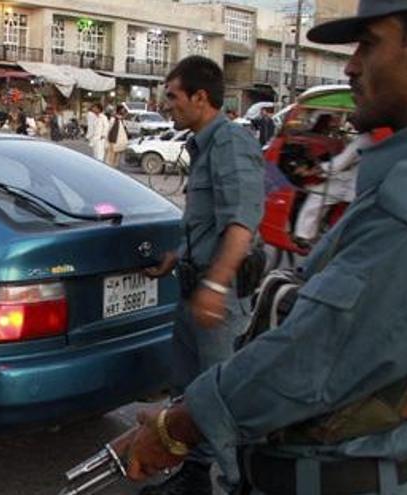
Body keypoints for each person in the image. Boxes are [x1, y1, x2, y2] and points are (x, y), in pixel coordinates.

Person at [125, 4, 407, 495]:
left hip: (350, 473)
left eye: (370, 43)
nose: (352, 65)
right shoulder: (400, 181)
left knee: (214, 383)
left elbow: (313, 353)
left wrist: (177, 428)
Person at [138, 55, 265, 495]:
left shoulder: (230, 142)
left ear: (200, 97)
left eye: (173, 96)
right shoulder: (202, 144)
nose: (166, 104)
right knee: (191, 390)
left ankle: (240, 483)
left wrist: (214, 285)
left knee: (222, 396)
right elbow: (209, 223)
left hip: (220, 295)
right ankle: (195, 476)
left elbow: (242, 224)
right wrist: (179, 257)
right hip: (196, 286)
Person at [293, 129, 370, 244]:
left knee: (317, 193)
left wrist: (313, 170)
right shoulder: (380, 138)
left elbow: (338, 164)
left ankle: (304, 235)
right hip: (361, 180)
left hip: (352, 184)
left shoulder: (364, 139)